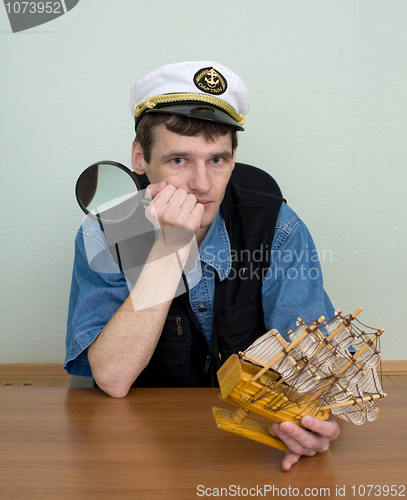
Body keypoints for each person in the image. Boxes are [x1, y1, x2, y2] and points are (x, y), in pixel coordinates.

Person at [65, 61, 340, 470]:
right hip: (144, 444)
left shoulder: (278, 227)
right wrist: (166, 252)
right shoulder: (106, 232)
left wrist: (315, 421)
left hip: (249, 447)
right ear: (140, 158)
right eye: (179, 160)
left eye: (217, 160)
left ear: (233, 159)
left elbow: (319, 366)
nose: (201, 183)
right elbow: (113, 378)